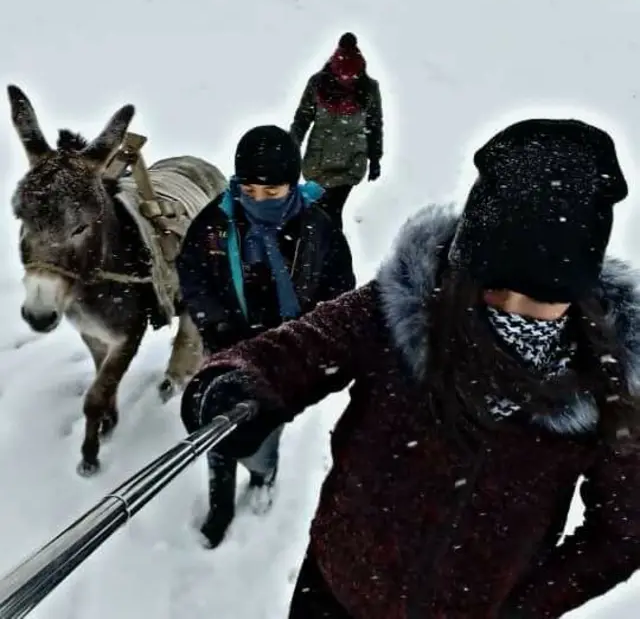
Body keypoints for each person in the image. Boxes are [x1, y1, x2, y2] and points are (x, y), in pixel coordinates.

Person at [180, 117, 640, 617]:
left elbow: (622, 532)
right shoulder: (405, 305)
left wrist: (521, 606)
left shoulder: (608, 382)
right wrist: (234, 382)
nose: (511, 311)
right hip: (332, 591)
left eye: (540, 299)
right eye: (492, 286)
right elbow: (296, 350)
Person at [176, 124, 356, 549]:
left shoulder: (318, 228)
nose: (258, 200)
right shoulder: (216, 223)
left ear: (292, 185)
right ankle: (221, 502)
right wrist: (216, 324)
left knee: (265, 424)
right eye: (249, 190)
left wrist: (308, 339)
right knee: (217, 426)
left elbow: (339, 291)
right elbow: (192, 273)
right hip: (228, 347)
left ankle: (263, 471)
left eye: (271, 192)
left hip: (285, 356)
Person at [290, 32, 383, 231]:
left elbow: (374, 124)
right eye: (342, 76)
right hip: (318, 164)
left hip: (350, 164)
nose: (346, 80)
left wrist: (375, 158)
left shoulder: (369, 89)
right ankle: (320, 245)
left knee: (331, 212)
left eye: (351, 77)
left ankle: (330, 246)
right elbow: (302, 119)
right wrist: (292, 146)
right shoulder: (317, 84)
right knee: (319, 212)